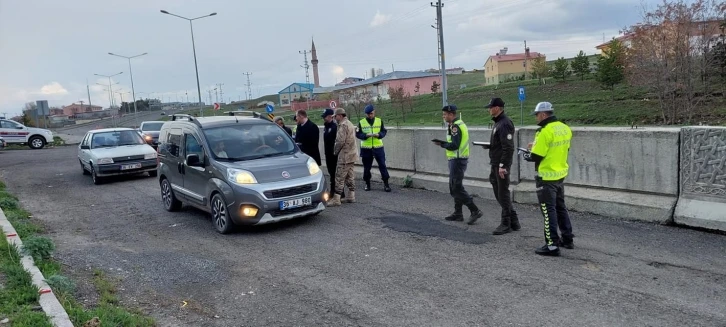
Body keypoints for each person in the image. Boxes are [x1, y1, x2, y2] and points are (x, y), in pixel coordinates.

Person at [524, 101, 574, 257]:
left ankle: (552, 245)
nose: (536, 118)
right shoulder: (565, 128)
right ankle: (567, 239)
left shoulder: (544, 131)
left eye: (537, 115)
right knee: (560, 207)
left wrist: (527, 153)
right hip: (560, 174)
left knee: (548, 211)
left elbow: (536, 156)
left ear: (544, 114)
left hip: (546, 176)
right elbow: (562, 149)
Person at [432, 104, 483, 223]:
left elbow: (455, 145)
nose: (443, 116)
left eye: (445, 114)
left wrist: (442, 144)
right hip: (457, 159)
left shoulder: (455, 126)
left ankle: (475, 210)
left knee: (456, 188)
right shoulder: (459, 124)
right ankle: (458, 213)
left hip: (457, 160)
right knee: (456, 186)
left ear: (451, 114)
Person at [484, 97, 520, 234]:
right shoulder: (498, 123)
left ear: (497, 108)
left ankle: (506, 223)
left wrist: (503, 165)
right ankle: (514, 220)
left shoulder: (504, 123)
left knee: (503, 192)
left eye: (490, 107)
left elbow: (508, 147)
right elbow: (500, 144)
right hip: (496, 162)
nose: (489, 109)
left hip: (500, 164)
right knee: (498, 189)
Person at [356, 104, 391, 192]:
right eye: (368, 114)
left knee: (382, 165)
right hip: (366, 148)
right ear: (366, 114)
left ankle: (386, 184)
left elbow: (384, 131)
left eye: (371, 113)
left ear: (374, 112)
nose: (370, 115)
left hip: (378, 147)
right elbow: (357, 134)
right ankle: (367, 184)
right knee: (367, 168)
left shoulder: (379, 121)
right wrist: (365, 136)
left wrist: (379, 135)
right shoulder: (361, 122)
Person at [327, 108, 357, 206]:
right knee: (349, 175)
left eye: (335, 116)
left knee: (339, 177)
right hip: (352, 155)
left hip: (345, 155)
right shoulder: (350, 123)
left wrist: (335, 152)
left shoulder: (343, 125)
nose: (334, 118)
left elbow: (340, 141)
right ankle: (351, 195)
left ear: (340, 115)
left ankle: (336, 199)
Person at [321, 108, 345, 199]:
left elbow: (338, 141)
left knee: (336, 174)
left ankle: (339, 192)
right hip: (328, 154)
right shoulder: (326, 127)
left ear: (330, 116)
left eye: (325, 117)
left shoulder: (335, 127)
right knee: (331, 173)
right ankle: (333, 190)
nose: (324, 119)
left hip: (334, 154)